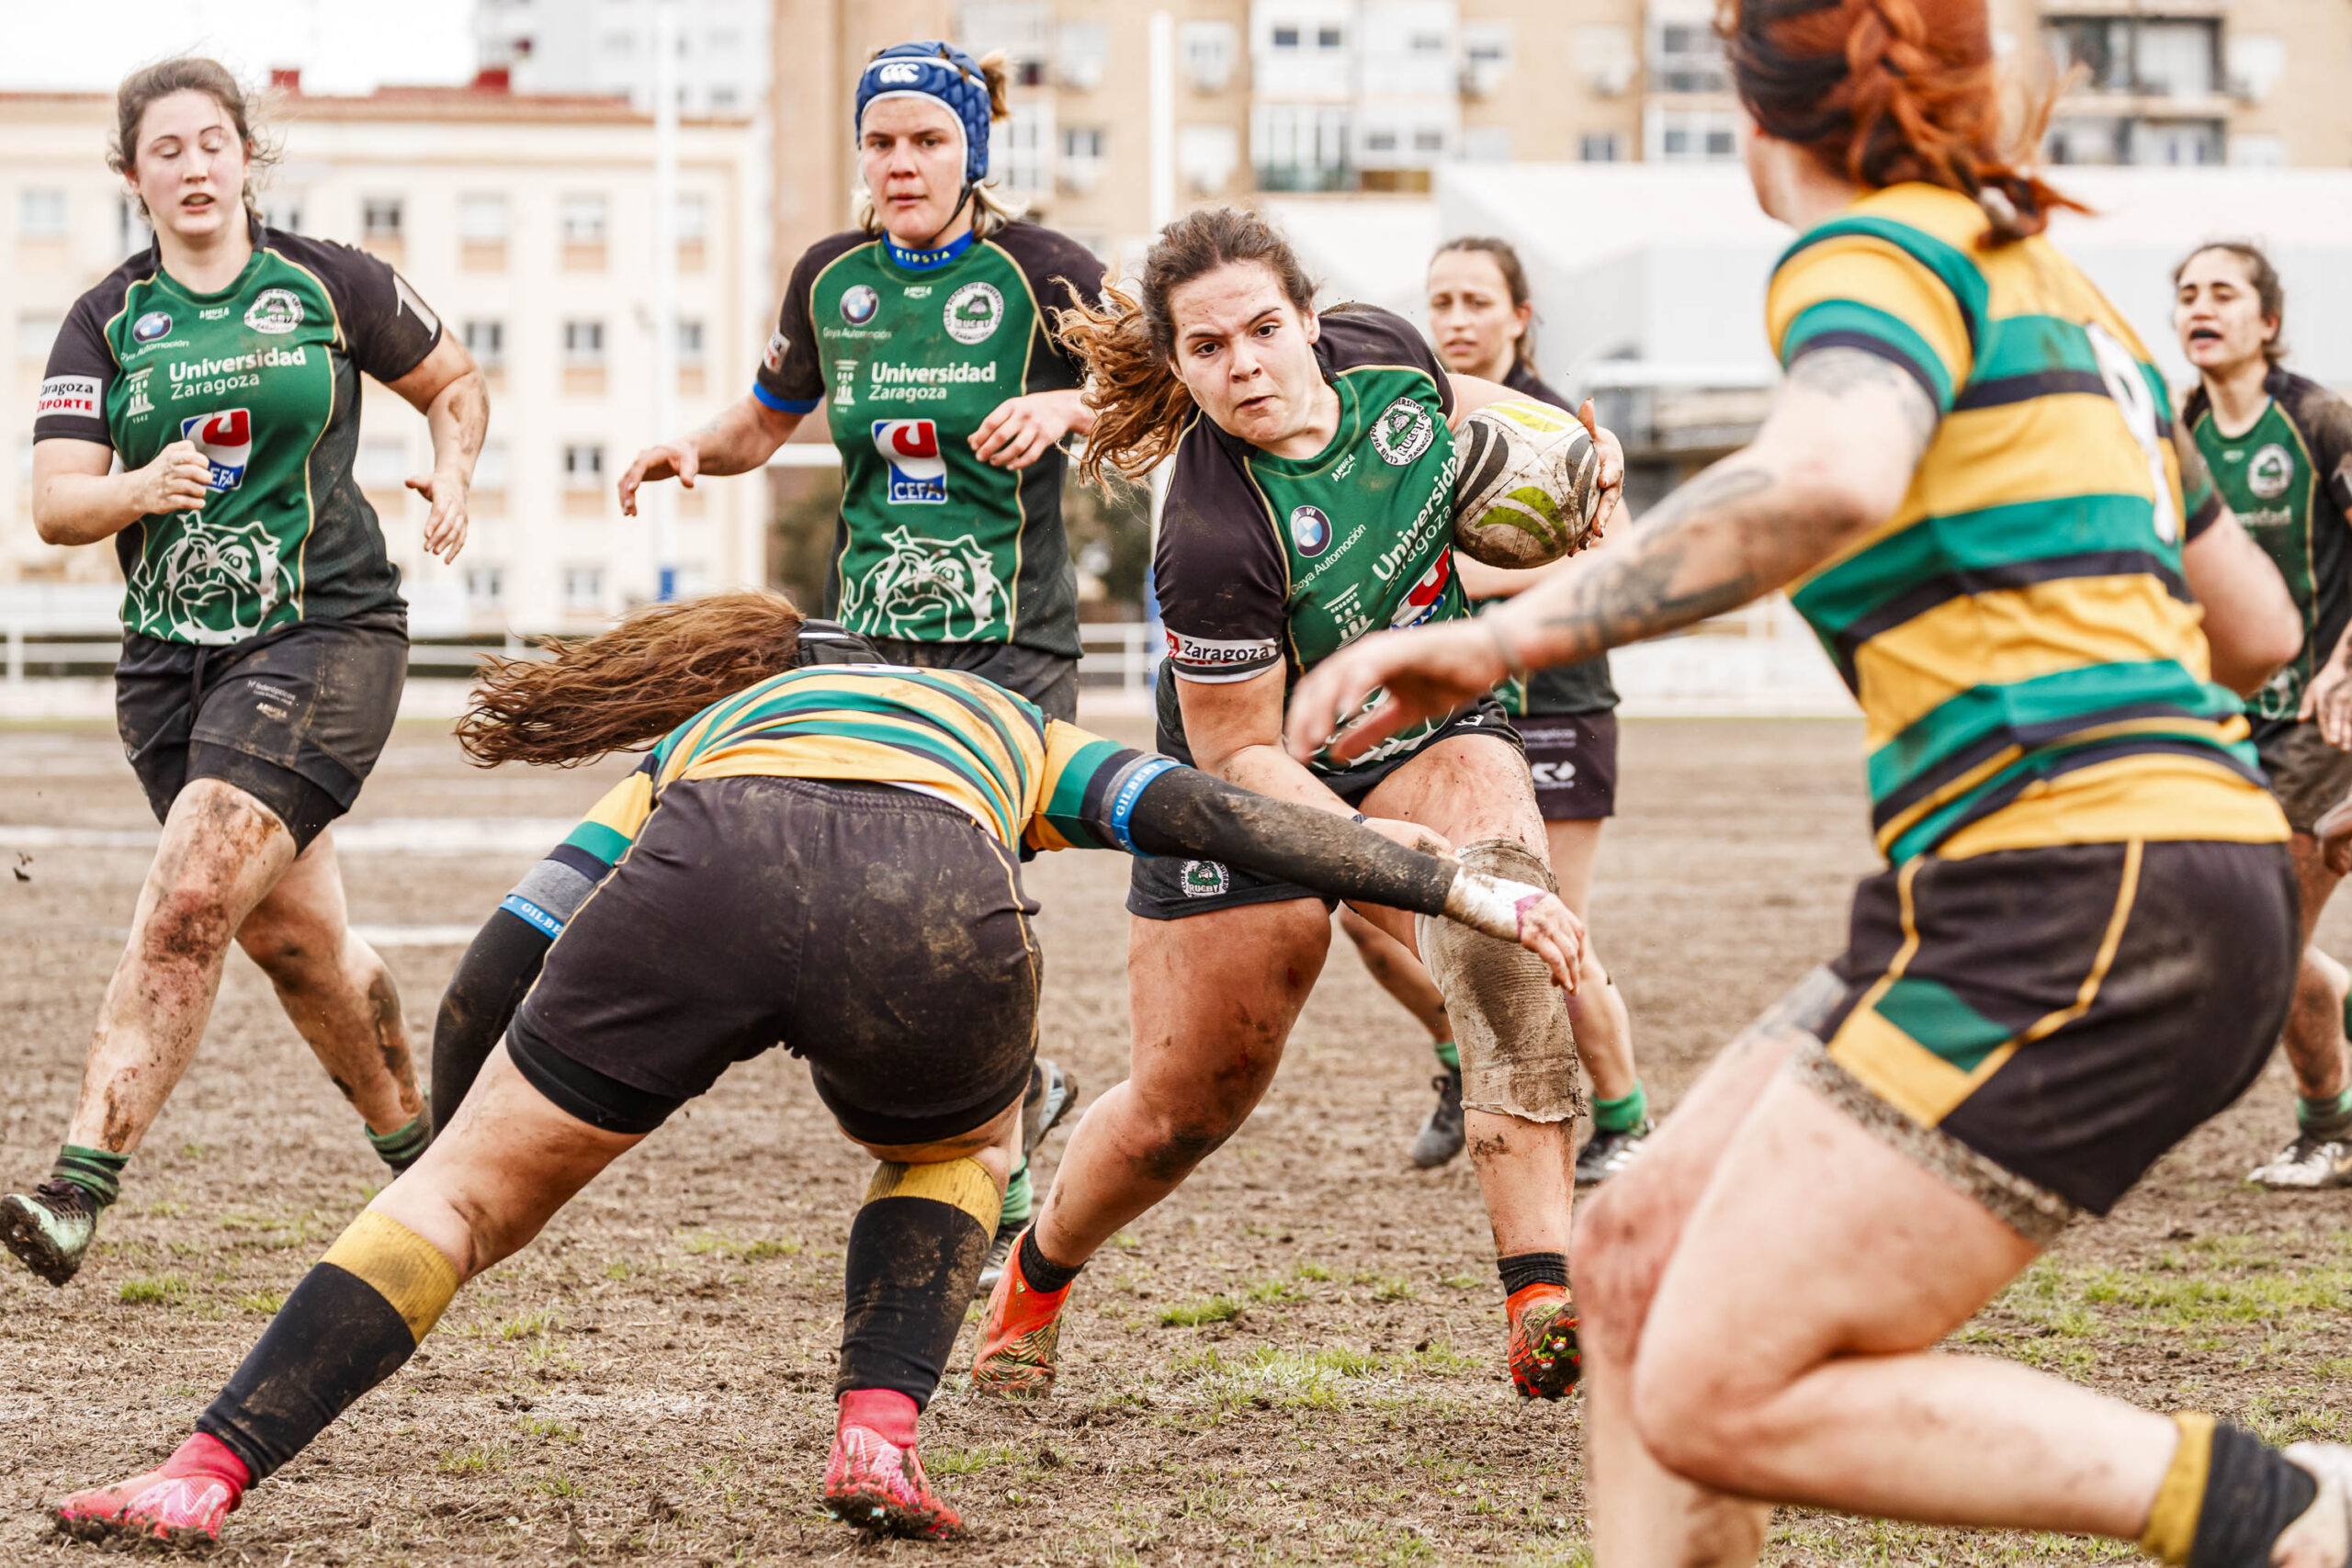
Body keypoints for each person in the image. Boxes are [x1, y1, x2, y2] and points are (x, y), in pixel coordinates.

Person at [1277, 0, 2352, 1556]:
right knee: (1634, 1257)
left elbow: (1832, 470)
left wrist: (1501, 634)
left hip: (2079, 886)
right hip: (2108, 867)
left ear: (1756, 106)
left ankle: (2293, 1510)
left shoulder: (1867, 254)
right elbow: (2253, 625)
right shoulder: (2070, 303)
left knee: (1718, 1387)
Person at [48, 592, 1585, 1549]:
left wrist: (458, 1129)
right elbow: (1216, 815)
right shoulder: (1001, 717)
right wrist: (1448, 881)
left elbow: (517, 937)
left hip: (709, 869)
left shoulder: (717, 727)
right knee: (957, 1148)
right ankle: (877, 1434)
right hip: (932, 898)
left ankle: (203, 1470)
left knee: (455, 1201)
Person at [967, 205, 1628, 1405]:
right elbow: (1242, 753)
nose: (1245, 365)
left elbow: (1477, 415)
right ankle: (1036, 1276)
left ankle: (1541, 1293)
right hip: (1258, 782)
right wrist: (1369, 845)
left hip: (1428, 731)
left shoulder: (1389, 354)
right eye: (1208, 348)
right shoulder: (1211, 534)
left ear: (1312, 320)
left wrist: (1582, 463)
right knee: (1187, 1104)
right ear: (1178, 366)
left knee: (1502, 924)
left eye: (1264, 329)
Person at [617, 39, 1104, 1280]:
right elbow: (764, 419)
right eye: (881, 142)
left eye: (927, 141)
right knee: (873, 900)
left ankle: (1004, 1178)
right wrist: (692, 449)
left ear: (969, 151)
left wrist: (1068, 405)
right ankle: (1024, 1091)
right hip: (873, 637)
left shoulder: (1045, 270)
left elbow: (1160, 385)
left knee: (970, 894)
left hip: (1012, 642)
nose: (900, 164)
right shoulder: (830, 279)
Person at [8, 59, 485, 1287]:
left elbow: (454, 381)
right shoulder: (107, 320)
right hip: (170, 669)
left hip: (327, 632)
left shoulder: (330, 282)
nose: (194, 167)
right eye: (165, 150)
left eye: (212, 142)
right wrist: (135, 486)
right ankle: (432, 1164)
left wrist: (454, 468)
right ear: (133, 177)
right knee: (297, 944)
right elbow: (55, 504)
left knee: (189, 896)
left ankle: (76, 1186)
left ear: (245, 155)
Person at [1335, 235, 1652, 1177]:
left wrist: (1467, 577)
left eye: (1477, 301)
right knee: (1366, 913)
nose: (1456, 319)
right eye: (1440, 302)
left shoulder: (1549, 423)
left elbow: (1617, 554)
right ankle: (1455, 1061)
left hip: (1556, 702)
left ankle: (1625, 1120)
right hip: (1456, 713)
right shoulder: (1414, 419)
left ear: (1519, 316)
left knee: (1548, 929)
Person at [2176, 242, 2352, 1190]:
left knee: (2266, 942)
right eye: (2186, 294)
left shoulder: (2319, 421)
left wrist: (2347, 664)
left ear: (2267, 321)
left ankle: (2330, 1129)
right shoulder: (2177, 434)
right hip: (2222, 721)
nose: (2200, 307)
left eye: (2223, 292)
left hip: (2321, 721)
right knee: (2232, 931)